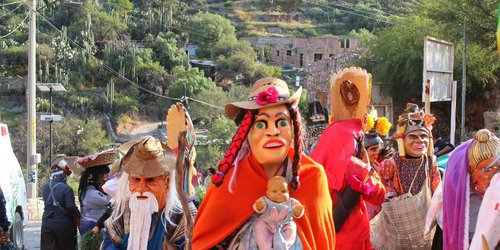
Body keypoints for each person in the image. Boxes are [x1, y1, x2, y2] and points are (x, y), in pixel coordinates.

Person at [193, 77, 335, 249]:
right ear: (247, 132)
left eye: (281, 122)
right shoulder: (230, 183)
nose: (273, 132)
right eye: (261, 124)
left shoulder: (312, 177)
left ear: (293, 127)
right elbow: (202, 243)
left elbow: (321, 241)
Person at [310, 67, 386, 250]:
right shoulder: (348, 134)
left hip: (329, 229)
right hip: (347, 233)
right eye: (367, 106)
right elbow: (377, 194)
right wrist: (368, 174)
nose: (368, 112)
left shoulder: (334, 132)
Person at [103, 136, 194, 250]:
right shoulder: (125, 209)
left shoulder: (181, 215)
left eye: (150, 180)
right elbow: (110, 242)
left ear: (167, 182)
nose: (141, 188)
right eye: (136, 180)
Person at [372, 103, 441, 249]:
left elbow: (438, 192)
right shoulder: (392, 162)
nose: (420, 141)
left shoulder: (430, 162)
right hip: (397, 224)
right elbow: (377, 181)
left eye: (424, 136)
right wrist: (391, 195)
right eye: (413, 136)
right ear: (402, 139)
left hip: (424, 222)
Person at [425, 129, 499, 249]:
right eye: (487, 169)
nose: (494, 176)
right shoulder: (455, 185)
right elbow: (439, 200)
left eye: (498, 168)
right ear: (470, 169)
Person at [253, 176, 304, 250]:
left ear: (288, 192)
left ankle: (285, 245)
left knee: (292, 227)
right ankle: (265, 247)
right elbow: (259, 208)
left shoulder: (290, 202)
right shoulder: (266, 200)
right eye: (274, 191)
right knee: (259, 225)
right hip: (268, 224)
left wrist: (298, 211)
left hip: (285, 224)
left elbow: (296, 209)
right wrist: (259, 206)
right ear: (268, 193)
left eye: (283, 191)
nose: (279, 194)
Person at [40, 159, 81, 250]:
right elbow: (70, 206)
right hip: (63, 226)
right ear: (63, 175)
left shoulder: (45, 187)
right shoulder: (66, 189)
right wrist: (78, 216)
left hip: (47, 224)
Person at [76, 149, 115, 235]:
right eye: (104, 175)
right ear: (98, 176)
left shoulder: (90, 190)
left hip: (91, 223)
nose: (106, 177)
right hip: (91, 224)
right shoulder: (92, 194)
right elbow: (110, 200)